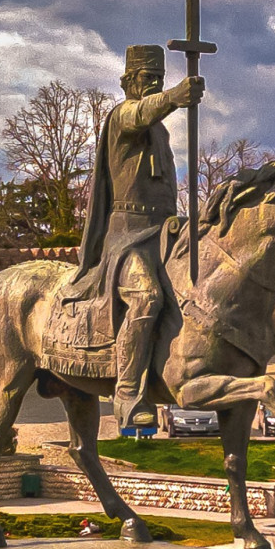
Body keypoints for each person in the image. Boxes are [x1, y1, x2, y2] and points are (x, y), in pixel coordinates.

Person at [66, 44, 204, 429]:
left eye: (159, 79)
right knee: (146, 297)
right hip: (127, 237)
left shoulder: (159, 132)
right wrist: (176, 95)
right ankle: (128, 393)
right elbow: (141, 111)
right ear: (129, 81)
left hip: (163, 231)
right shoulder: (122, 117)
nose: (154, 84)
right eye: (148, 78)